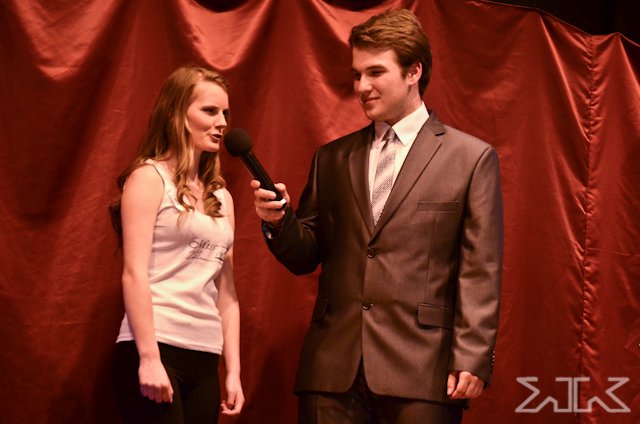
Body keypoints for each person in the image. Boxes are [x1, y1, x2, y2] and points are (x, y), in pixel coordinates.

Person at [251, 9, 503, 424]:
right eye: (356, 75)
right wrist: (279, 223)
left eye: (375, 72)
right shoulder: (332, 158)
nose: (361, 87)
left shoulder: (470, 159)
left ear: (413, 71)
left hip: (423, 370)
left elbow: (481, 269)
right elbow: (306, 255)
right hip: (332, 370)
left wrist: (473, 354)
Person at [109, 66, 244, 423]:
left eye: (225, 113)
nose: (222, 123)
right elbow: (134, 274)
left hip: (204, 353)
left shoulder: (221, 197)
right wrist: (149, 358)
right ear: (176, 114)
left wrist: (232, 371)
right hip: (157, 345)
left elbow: (227, 292)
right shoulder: (149, 178)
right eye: (210, 111)